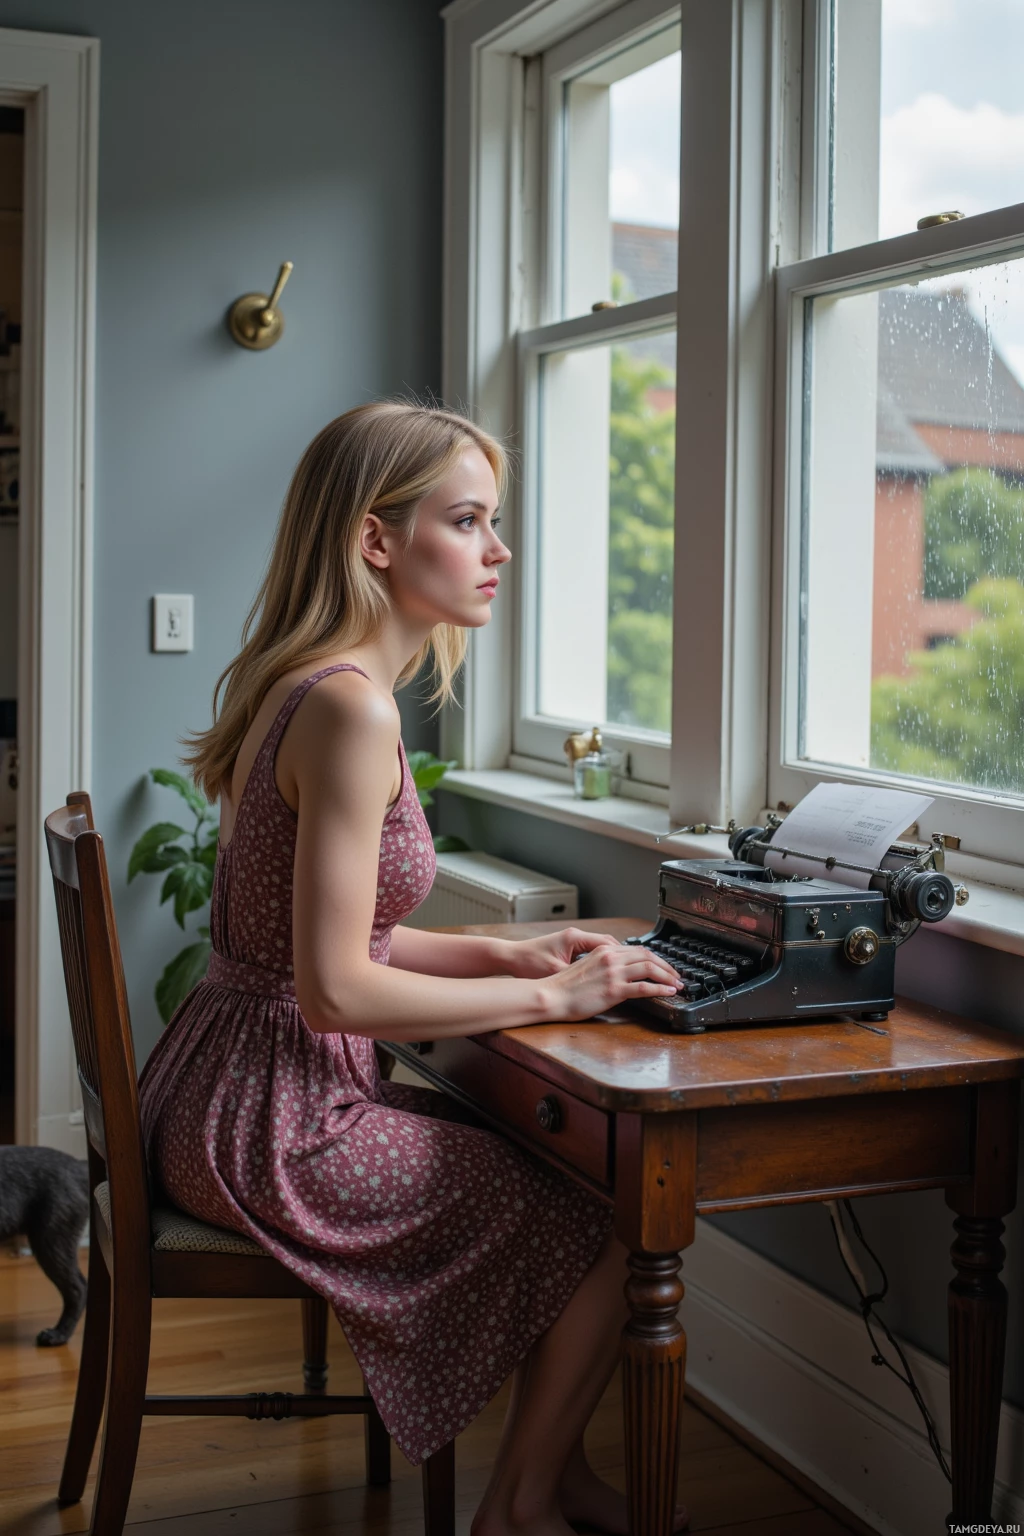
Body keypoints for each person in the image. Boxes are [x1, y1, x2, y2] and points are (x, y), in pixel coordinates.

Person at [138, 401, 684, 1536]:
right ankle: (521, 1507)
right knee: (608, 1212)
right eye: (469, 520)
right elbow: (337, 989)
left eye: (496, 522)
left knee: (569, 1178)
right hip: (268, 1122)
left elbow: (337, 941)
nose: (498, 552)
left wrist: (511, 948)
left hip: (220, 1089)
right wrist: (553, 995)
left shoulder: (313, 685)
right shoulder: (348, 711)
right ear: (376, 541)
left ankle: (555, 1476)